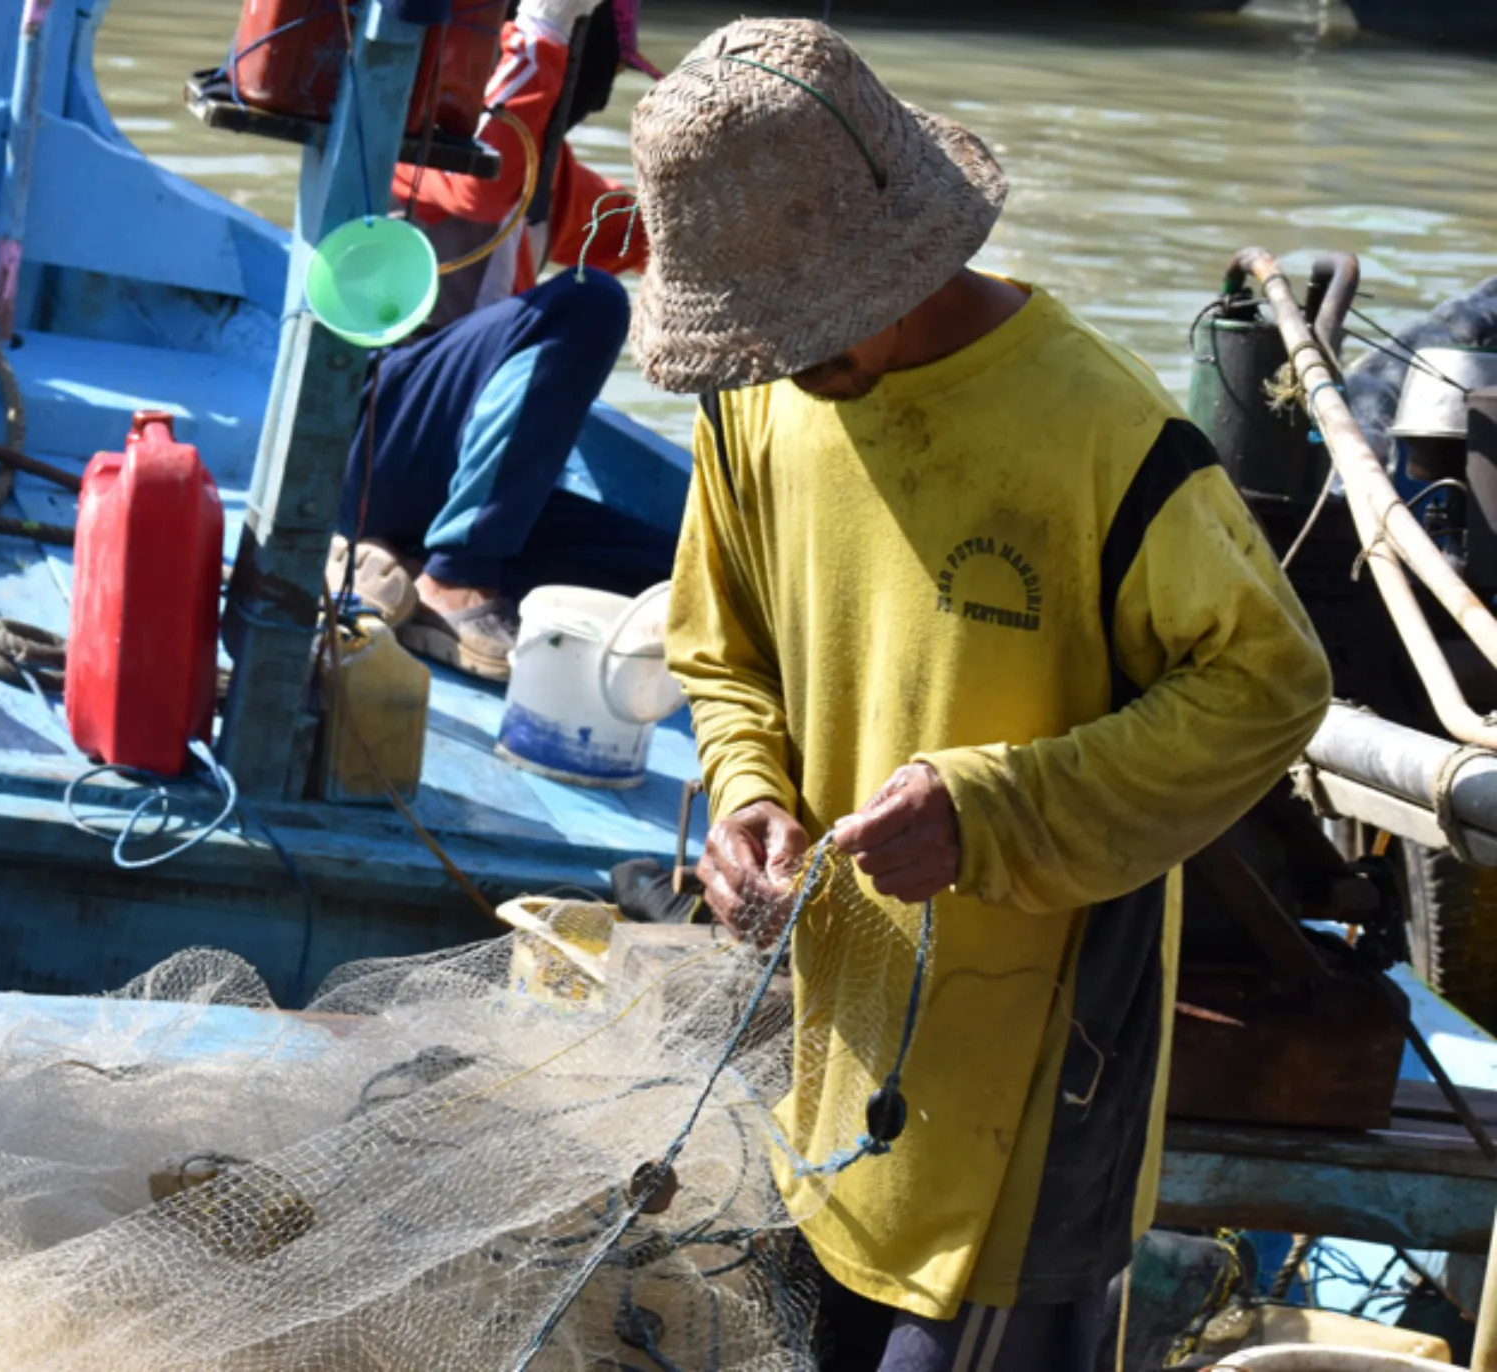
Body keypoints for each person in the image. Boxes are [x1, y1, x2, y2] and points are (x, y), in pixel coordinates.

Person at [632, 21, 1331, 1372]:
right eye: (758, 333)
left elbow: (1270, 686)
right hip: (824, 1042)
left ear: (900, 251)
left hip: (1038, 1085)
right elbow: (721, 651)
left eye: (805, 325)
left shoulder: (1106, 436)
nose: (780, 358)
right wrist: (749, 797)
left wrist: (993, 806)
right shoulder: (754, 405)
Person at [330, 0, 674, 680]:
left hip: (445, 479)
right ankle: (452, 578)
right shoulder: (407, 124)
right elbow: (481, 186)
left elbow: (646, 232)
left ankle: (396, 557)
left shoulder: (554, 177)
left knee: (674, 569)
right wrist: (547, 27)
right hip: (365, 441)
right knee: (588, 303)